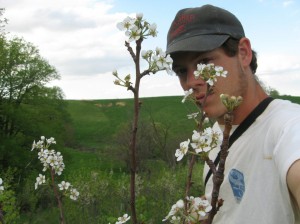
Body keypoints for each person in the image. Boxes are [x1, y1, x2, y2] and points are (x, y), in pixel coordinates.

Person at [166, 4, 300, 224]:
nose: (191, 82)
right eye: (182, 71)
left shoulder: (288, 127)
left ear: (243, 53)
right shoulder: (213, 136)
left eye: (204, 62)